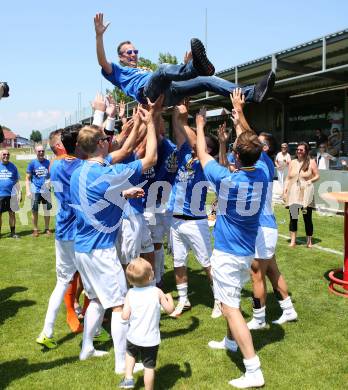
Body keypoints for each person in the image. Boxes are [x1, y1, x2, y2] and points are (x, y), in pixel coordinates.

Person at [70, 97, 160, 376]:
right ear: (99, 145)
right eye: (105, 138)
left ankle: (87, 347)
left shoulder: (80, 169)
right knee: (121, 305)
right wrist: (152, 125)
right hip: (100, 250)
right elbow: (151, 159)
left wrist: (122, 193)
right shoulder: (108, 173)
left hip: (81, 248)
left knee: (97, 300)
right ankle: (122, 362)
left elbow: (117, 157)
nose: (110, 140)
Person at [196, 106, 268, 388]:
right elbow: (251, 147)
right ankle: (230, 342)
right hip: (246, 250)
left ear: (236, 155)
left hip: (227, 253)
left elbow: (203, 154)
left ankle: (253, 370)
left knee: (229, 307)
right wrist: (240, 120)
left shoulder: (227, 179)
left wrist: (200, 126)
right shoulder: (262, 172)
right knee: (233, 298)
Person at [94, 13, 275, 107]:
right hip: (148, 94)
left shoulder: (143, 68)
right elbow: (102, 62)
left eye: (135, 51)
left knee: (207, 80)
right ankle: (193, 68)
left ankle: (252, 94)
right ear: (121, 57)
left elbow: (166, 77)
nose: (133, 54)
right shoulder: (118, 72)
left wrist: (184, 66)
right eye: (129, 52)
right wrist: (99, 36)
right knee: (164, 68)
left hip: (169, 91)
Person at [167, 103, 221, 319]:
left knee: (207, 263)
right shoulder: (186, 157)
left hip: (194, 221)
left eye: (200, 144)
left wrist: (197, 125)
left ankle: (219, 299)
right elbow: (180, 127)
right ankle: (183, 300)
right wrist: (180, 113)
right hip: (175, 221)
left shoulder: (206, 165)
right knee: (178, 262)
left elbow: (191, 137)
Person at [36, 127, 84, 349]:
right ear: (59, 147)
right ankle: (97, 331)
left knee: (62, 282)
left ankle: (47, 331)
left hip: (63, 230)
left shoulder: (54, 166)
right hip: (79, 231)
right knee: (93, 283)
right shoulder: (76, 164)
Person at [119, 257, 174, 390]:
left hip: (133, 336)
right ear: (150, 277)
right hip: (151, 339)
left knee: (130, 354)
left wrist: (122, 312)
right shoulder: (157, 292)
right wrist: (170, 298)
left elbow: (125, 316)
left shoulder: (130, 294)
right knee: (149, 366)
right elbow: (170, 310)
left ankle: (128, 379)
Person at [283, 142, 320, 248]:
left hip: (306, 193)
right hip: (293, 193)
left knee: (307, 217)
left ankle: (309, 241)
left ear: (306, 151)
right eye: (298, 149)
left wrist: (310, 181)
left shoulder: (311, 162)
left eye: (301, 150)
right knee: (293, 217)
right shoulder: (293, 162)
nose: (299, 151)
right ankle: (293, 241)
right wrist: (285, 190)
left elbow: (317, 176)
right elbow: (288, 177)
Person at [25, 145, 52, 236]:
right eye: (39, 151)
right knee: (35, 211)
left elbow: (51, 175)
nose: (41, 153)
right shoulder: (32, 163)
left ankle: (47, 229)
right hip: (35, 191)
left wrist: (50, 182)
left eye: (42, 151)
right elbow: (27, 178)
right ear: (35, 152)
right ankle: (35, 229)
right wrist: (28, 191)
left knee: (47, 210)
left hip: (46, 191)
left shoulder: (48, 162)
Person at [0, 149, 20, 238]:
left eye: (8, 154)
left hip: (12, 195)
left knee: (12, 214)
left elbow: (16, 181)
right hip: (0, 195)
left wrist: (19, 192)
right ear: (0, 155)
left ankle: (13, 232)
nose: (6, 156)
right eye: (4, 154)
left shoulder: (13, 167)